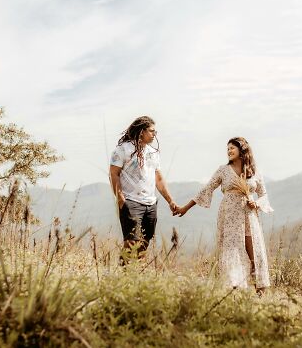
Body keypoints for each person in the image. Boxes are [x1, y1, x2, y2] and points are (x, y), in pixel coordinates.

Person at [176, 137, 273, 292]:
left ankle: (260, 291)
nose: (229, 151)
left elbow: (263, 194)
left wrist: (257, 203)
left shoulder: (253, 172)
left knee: (254, 251)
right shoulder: (223, 170)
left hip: (249, 216)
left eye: (232, 148)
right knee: (232, 251)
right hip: (229, 216)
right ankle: (234, 290)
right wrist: (185, 208)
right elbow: (206, 189)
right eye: (227, 148)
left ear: (242, 149)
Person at [109, 116, 178, 262]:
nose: (154, 134)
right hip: (131, 201)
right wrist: (121, 199)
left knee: (144, 244)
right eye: (152, 131)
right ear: (141, 131)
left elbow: (158, 179)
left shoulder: (153, 152)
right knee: (131, 243)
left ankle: (136, 275)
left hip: (150, 204)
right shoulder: (123, 149)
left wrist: (170, 201)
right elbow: (113, 174)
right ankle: (122, 277)